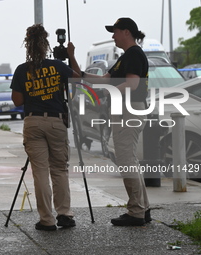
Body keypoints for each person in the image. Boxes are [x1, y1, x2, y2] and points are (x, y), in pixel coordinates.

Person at [67, 17, 151, 226]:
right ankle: (142, 209)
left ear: (126, 32)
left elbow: (132, 83)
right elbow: (102, 79)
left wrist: (108, 93)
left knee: (125, 159)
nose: (112, 36)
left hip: (128, 110)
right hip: (126, 110)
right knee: (129, 158)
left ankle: (136, 212)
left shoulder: (133, 54)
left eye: (114, 31)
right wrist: (74, 62)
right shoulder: (126, 57)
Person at [11, 24, 80, 231]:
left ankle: (47, 220)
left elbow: (17, 101)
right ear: (46, 44)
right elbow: (78, 79)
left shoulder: (22, 70)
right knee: (59, 169)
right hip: (56, 120)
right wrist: (71, 56)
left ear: (28, 46)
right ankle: (64, 214)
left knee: (40, 172)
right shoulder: (58, 66)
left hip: (33, 122)